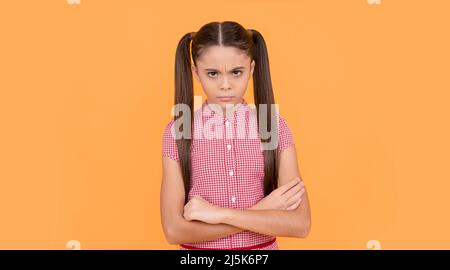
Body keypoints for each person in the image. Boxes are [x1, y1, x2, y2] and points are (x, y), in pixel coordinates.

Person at [160, 21, 311, 250]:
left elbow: (300, 223)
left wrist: (218, 214)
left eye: (236, 72)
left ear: (251, 69)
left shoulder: (274, 127)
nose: (225, 85)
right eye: (212, 73)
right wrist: (261, 211)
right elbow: (173, 230)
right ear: (196, 73)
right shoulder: (178, 131)